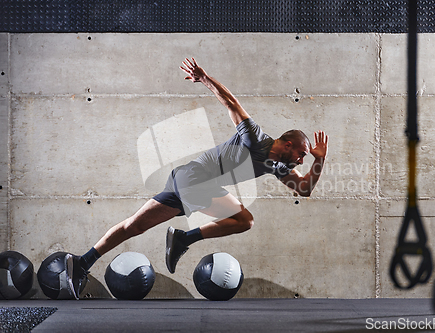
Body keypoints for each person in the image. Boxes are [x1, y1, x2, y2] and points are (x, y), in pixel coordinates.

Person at [66, 58, 328, 300]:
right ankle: (183, 239)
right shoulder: (255, 137)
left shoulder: (277, 166)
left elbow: (304, 189)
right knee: (244, 220)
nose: (302, 160)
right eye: (302, 154)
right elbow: (230, 102)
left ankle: (82, 263)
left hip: (187, 183)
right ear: (289, 143)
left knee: (134, 226)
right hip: (194, 180)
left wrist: (319, 161)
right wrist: (204, 78)